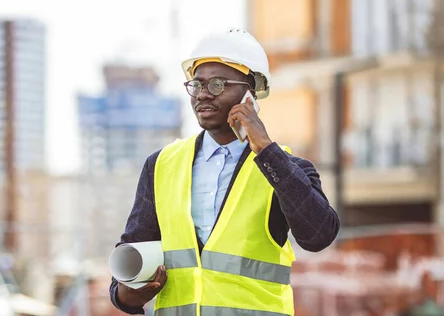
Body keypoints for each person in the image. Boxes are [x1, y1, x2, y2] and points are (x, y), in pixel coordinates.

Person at [109, 29, 340, 316]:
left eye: (217, 85)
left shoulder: (287, 169)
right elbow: (132, 255)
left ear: (250, 92)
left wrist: (266, 149)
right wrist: (126, 294)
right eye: (196, 84)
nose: (203, 94)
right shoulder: (161, 165)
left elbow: (318, 235)